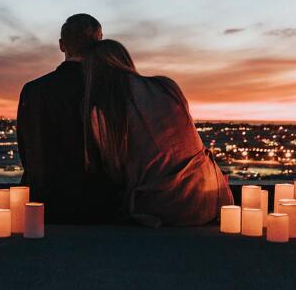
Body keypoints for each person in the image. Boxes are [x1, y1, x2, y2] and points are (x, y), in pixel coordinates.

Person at [82, 39, 233, 226]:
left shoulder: (105, 111)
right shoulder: (167, 86)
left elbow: (114, 171)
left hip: (167, 206)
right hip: (214, 196)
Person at [17, 13, 117, 222]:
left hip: (43, 203)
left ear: (62, 45)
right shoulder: (110, 89)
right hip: (99, 204)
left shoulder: (33, 91)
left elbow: (27, 152)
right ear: (99, 44)